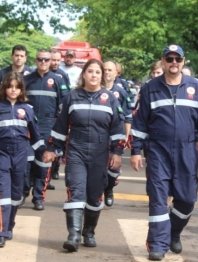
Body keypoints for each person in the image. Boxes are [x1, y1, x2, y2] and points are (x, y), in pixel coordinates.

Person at [129, 45, 198, 261]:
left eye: (178, 59)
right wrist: (136, 150)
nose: (174, 62)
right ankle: (157, 245)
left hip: (187, 151)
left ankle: (173, 232)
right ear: (163, 61)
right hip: (158, 150)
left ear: (183, 61)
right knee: (158, 199)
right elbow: (139, 122)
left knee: (187, 200)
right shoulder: (150, 88)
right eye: (170, 58)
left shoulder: (195, 87)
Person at [42, 59, 126, 252]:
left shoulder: (110, 98)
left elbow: (117, 129)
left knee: (95, 195)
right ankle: (73, 235)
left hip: (100, 153)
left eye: (98, 72)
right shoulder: (72, 97)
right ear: (84, 75)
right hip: (76, 152)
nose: (94, 75)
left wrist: (117, 152)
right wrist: (52, 148)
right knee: (76, 191)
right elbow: (61, 126)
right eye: (90, 72)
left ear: (102, 76)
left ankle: (88, 232)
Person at [0, 71, 45, 248]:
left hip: (21, 155)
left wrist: (44, 154)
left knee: (16, 196)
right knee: (1, 194)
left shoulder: (28, 109)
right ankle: (1, 232)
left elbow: (36, 136)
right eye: (9, 87)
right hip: (1, 155)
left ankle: (9, 225)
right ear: (4, 88)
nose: (13, 90)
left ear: (22, 89)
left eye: (17, 87)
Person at [22, 49, 66, 210]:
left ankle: (38, 198)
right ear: (35, 60)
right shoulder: (26, 80)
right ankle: (23, 192)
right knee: (25, 163)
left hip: (48, 127)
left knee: (43, 164)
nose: (43, 62)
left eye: (46, 60)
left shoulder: (57, 80)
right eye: (40, 59)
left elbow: (64, 107)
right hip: (28, 127)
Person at [103, 61, 133, 206]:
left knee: (113, 168)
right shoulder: (95, 90)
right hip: (98, 134)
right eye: (105, 69)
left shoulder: (121, 93)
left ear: (116, 74)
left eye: (110, 70)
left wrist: (126, 137)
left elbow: (127, 116)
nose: (107, 72)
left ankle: (109, 188)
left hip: (116, 135)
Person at [49, 49, 73, 181]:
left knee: (58, 144)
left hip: (59, 117)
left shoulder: (63, 75)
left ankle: (54, 169)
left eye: (58, 60)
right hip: (45, 117)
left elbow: (67, 96)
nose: (56, 63)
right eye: (53, 60)